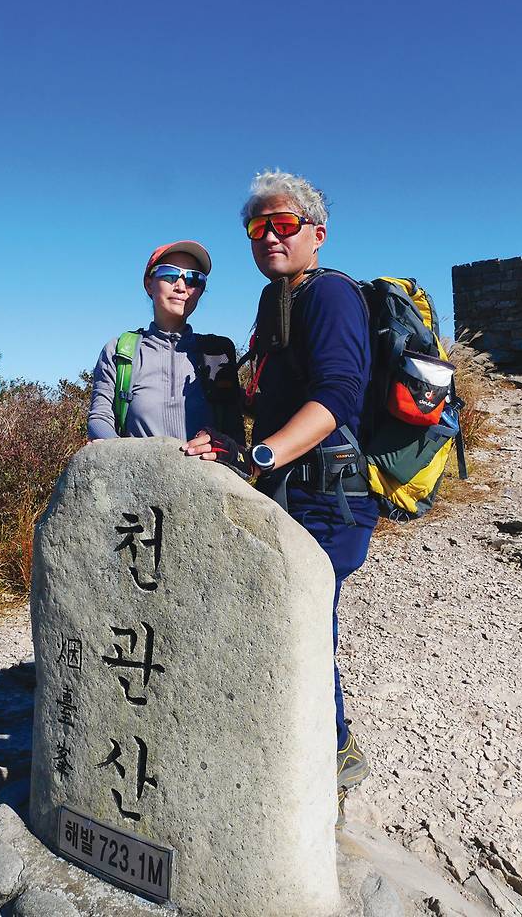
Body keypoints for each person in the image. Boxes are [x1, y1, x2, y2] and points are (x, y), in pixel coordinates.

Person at [181, 171, 377, 820]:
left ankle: (335, 754)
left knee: (301, 620)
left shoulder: (332, 296)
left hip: (329, 495)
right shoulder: (276, 302)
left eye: (283, 223)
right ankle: (303, 740)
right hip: (291, 489)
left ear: (316, 233)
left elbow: (338, 395)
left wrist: (263, 455)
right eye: (257, 226)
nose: (269, 235)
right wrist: (243, 453)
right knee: (280, 617)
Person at [88, 241, 243, 443]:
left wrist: (220, 444)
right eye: (169, 274)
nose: (180, 286)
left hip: (204, 474)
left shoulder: (217, 353)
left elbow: (234, 431)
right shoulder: (120, 351)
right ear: (149, 284)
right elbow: (100, 418)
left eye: (193, 279)